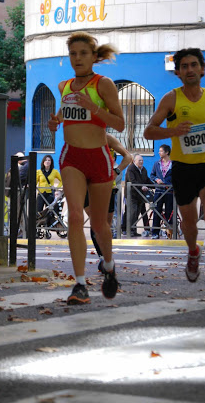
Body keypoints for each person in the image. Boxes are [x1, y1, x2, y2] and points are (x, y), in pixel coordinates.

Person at [48, 31, 124, 305]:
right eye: (72, 54)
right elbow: (64, 115)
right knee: (77, 218)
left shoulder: (103, 84)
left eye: (82, 53)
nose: (77, 58)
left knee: (101, 225)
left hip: (99, 158)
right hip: (72, 158)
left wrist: (93, 108)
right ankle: (79, 284)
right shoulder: (63, 86)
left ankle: (109, 265)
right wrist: (55, 122)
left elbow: (120, 124)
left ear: (93, 56)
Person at [144, 47, 205, 292]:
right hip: (183, 168)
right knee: (189, 223)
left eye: (194, 65)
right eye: (184, 66)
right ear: (178, 73)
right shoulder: (171, 99)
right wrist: (174, 131)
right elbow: (149, 130)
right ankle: (193, 251)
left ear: (202, 69)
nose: (189, 70)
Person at [84, 133, 132, 270]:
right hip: (87, 186)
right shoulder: (80, 136)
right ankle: (103, 259)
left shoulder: (107, 138)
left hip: (107, 187)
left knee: (106, 226)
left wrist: (116, 171)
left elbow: (128, 157)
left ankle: (106, 258)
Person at [124, 154, 152, 237]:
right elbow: (132, 181)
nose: (141, 162)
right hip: (131, 194)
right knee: (133, 212)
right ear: (134, 161)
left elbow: (147, 180)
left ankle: (134, 230)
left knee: (138, 212)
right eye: (139, 160)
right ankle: (131, 230)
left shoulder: (143, 169)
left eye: (142, 160)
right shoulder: (131, 168)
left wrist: (155, 186)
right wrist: (141, 186)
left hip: (140, 195)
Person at [150, 144, 173, 239]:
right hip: (159, 191)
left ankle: (169, 232)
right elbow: (152, 175)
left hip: (169, 191)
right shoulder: (156, 163)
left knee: (169, 212)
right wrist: (156, 180)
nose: (159, 153)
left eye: (161, 151)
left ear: (167, 152)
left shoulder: (173, 164)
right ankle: (155, 232)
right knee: (157, 211)